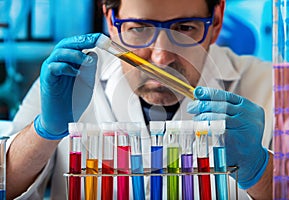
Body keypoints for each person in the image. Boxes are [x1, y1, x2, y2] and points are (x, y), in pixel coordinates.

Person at [6, 0, 273, 199]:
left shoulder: (272, 87)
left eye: (184, 28)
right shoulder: (68, 80)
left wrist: (260, 169)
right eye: (139, 28)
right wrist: (45, 131)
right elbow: (4, 184)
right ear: (111, 21)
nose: (160, 57)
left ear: (216, 21)